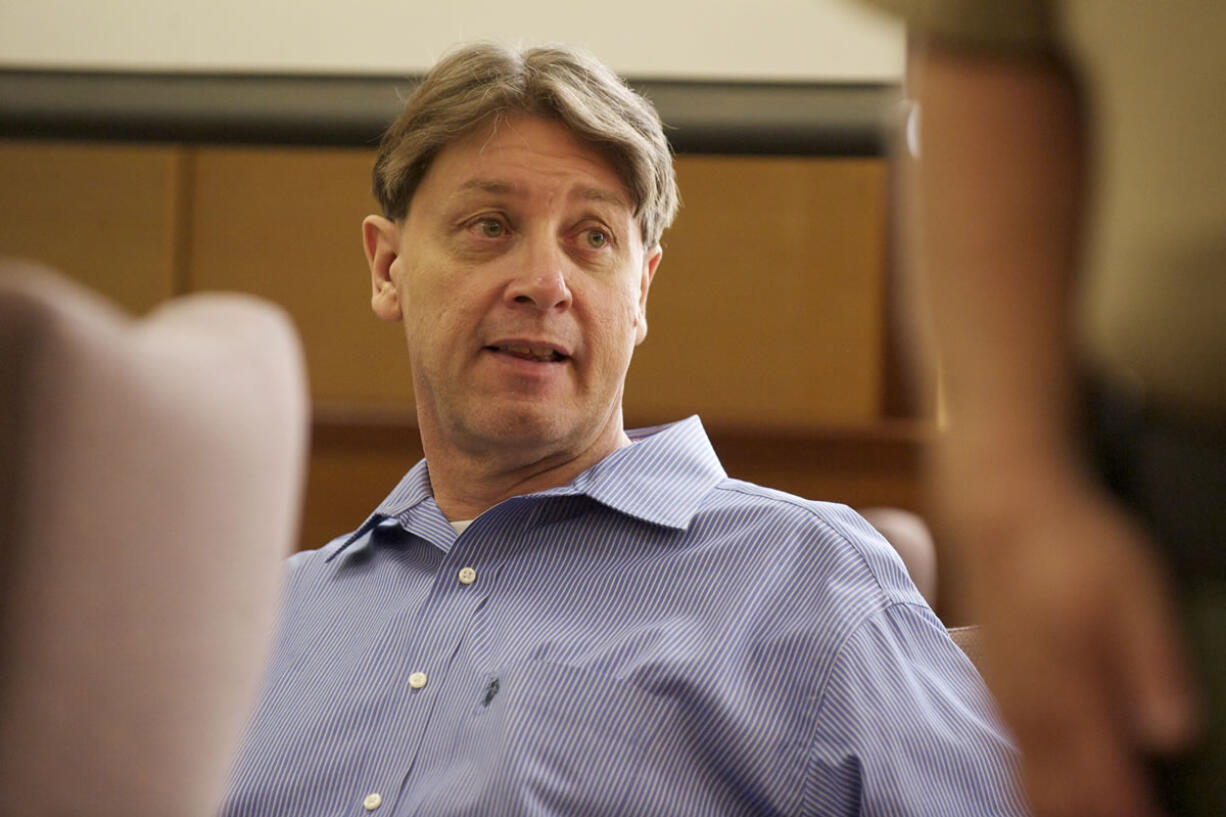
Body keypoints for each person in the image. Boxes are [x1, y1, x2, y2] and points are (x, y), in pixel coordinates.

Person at [219, 42, 1026, 817]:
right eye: (489, 226)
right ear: (387, 266)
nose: (544, 282)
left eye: (593, 237)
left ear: (641, 291)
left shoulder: (807, 585)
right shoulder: (265, 620)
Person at [854, 3, 1226, 816]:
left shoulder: (798, 569)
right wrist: (1008, 488)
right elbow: (988, 47)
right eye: (495, 225)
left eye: (593, 237)